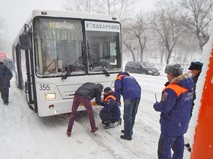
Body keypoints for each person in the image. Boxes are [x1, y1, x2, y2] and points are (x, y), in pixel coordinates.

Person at [153, 64, 194, 159]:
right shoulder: (189, 86)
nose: (167, 75)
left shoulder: (172, 89)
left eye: (168, 73)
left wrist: (156, 106)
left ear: (172, 75)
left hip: (171, 125)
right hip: (182, 124)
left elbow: (165, 107)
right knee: (178, 150)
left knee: (164, 150)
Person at [114, 72, 141, 140]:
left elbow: (117, 89)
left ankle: (127, 135)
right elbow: (139, 87)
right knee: (132, 114)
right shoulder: (132, 78)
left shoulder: (119, 77)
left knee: (127, 116)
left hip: (129, 96)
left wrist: (117, 100)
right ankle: (128, 130)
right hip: (137, 96)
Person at [185, 61, 203, 151]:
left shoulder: (200, 80)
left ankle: (194, 144)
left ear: (198, 70)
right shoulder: (195, 77)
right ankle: (192, 142)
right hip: (194, 105)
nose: (191, 72)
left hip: (197, 106)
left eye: (193, 70)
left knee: (196, 125)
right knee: (193, 124)